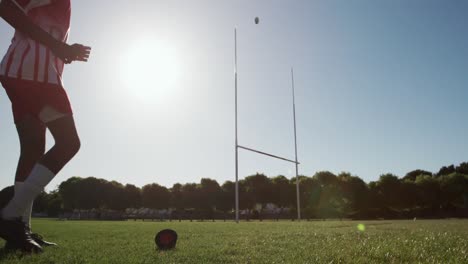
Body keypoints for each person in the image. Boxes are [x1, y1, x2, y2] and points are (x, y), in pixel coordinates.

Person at [0, 0, 91, 253]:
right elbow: (5, 6)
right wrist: (58, 47)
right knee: (69, 143)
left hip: (20, 71)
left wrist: (61, 51)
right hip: (34, 74)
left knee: (32, 150)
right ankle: (9, 214)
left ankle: (18, 230)